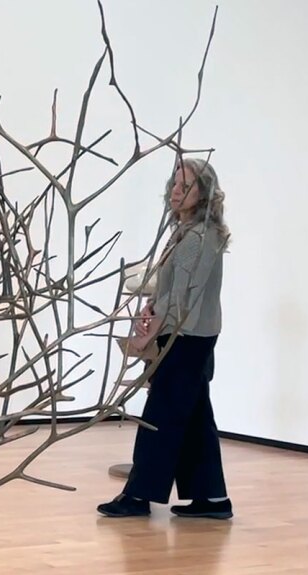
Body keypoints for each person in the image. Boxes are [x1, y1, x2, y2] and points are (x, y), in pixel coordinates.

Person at [98, 158, 231, 519]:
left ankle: (139, 496)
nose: (175, 190)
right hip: (189, 332)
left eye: (185, 185)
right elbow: (171, 287)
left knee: (161, 416)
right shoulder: (187, 232)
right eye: (173, 183)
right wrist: (151, 304)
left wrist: (149, 333)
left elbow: (185, 297)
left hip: (187, 336)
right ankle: (213, 500)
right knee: (194, 418)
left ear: (203, 193)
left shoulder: (200, 238)